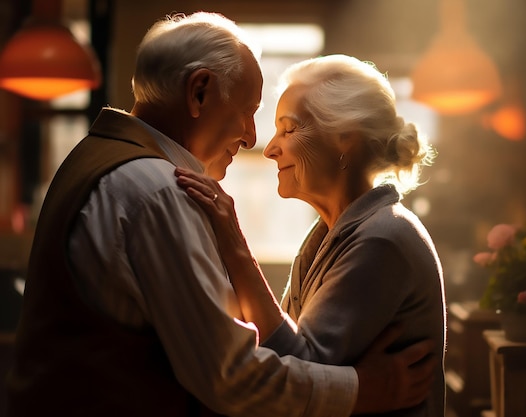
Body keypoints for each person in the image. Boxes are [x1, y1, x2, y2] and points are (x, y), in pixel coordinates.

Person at [5, 13, 436, 417]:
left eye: (285, 127)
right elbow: (232, 376)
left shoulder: (103, 162)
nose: (254, 139)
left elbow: (265, 357)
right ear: (199, 91)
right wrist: (367, 389)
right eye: (249, 112)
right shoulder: (156, 192)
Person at [176, 54, 447, 416]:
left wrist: (234, 244)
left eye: (288, 130)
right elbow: (282, 362)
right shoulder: (325, 235)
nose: (270, 149)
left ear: (344, 137)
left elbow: (300, 368)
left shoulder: (382, 239)